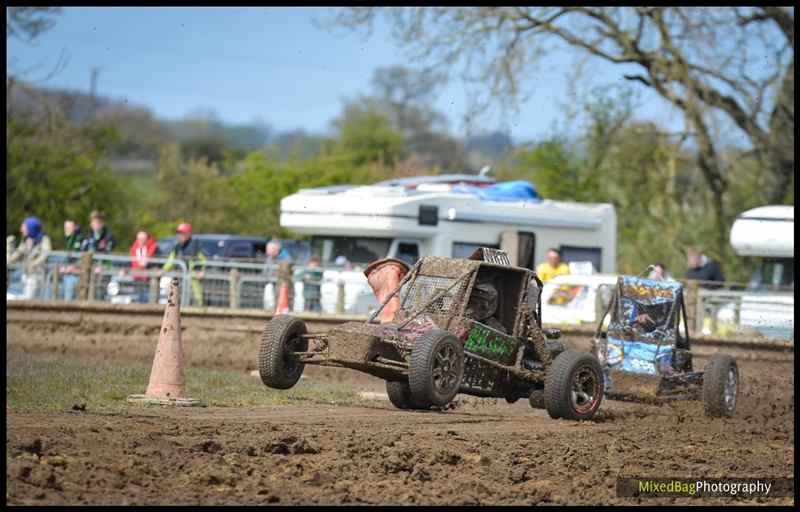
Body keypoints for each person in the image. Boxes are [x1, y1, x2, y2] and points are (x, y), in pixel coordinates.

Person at [160, 222, 207, 306]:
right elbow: (171, 260)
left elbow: (205, 259)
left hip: (193, 279)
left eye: (183, 233)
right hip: (179, 278)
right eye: (180, 233)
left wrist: (202, 271)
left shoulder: (196, 245)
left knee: (196, 300)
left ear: (189, 233)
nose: (181, 235)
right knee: (178, 301)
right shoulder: (177, 246)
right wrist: (163, 270)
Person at [7, 217, 53, 300]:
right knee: (27, 298)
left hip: (37, 274)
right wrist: (7, 261)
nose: (21, 230)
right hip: (26, 273)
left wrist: (34, 264)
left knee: (29, 300)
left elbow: (46, 253)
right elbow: (17, 253)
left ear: (30, 228)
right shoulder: (26, 239)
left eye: (23, 227)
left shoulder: (43, 239)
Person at [122, 229, 159, 303]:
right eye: (139, 239)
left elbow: (159, 262)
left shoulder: (154, 248)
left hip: (149, 280)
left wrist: (148, 263)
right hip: (138, 280)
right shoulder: (134, 249)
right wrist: (124, 269)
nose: (141, 241)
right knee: (140, 301)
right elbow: (130, 262)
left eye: (143, 239)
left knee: (150, 301)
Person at [81, 210, 117, 277]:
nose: (97, 224)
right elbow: (83, 251)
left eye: (99, 222)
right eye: (95, 222)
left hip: (104, 269)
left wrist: (100, 266)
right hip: (90, 268)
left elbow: (108, 252)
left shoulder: (108, 236)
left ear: (103, 223)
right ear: (91, 223)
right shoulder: (88, 237)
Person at [59, 217, 85, 301]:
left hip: (76, 273)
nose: (67, 230)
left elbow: (82, 256)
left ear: (75, 227)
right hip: (68, 271)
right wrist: (64, 266)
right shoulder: (68, 239)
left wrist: (74, 266)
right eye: (66, 228)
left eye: (69, 228)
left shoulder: (81, 239)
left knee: (70, 292)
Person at [263, 239, 293, 308]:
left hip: (283, 287)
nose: (266, 253)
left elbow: (285, 274)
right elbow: (264, 272)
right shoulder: (269, 259)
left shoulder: (287, 259)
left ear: (276, 250)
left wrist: (275, 272)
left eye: (268, 249)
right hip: (272, 286)